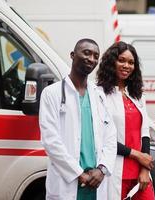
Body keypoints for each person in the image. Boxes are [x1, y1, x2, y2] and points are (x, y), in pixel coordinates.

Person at [39, 38, 117, 200]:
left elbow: (110, 136)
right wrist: (78, 173)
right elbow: (50, 140)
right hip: (69, 179)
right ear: (73, 55)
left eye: (96, 56)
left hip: (96, 180)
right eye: (86, 53)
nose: (92, 59)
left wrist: (102, 169)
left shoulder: (99, 95)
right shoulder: (52, 93)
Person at [96, 41, 155, 200]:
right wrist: (136, 155)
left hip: (140, 173)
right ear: (111, 62)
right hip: (114, 170)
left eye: (131, 62)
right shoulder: (99, 95)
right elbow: (102, 137)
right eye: (121, 60)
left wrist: (145, 168)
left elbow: (145, 132)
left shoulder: (137, 95)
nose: (126, 65)